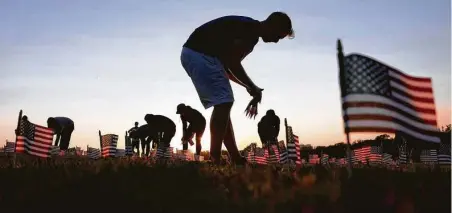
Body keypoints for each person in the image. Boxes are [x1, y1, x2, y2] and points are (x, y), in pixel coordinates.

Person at [180, 12, 294, 164]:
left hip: (196, 53)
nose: (276, 41)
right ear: (272, 25)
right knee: (224, 103)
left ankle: (235, 157)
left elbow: (227, 67)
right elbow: (232, 63)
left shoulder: (249, 30)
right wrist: (251, 86)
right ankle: (215, 158)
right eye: (278, 36)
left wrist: (249, 86)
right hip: (200, 53)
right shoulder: (250, 32)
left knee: (224, 104)